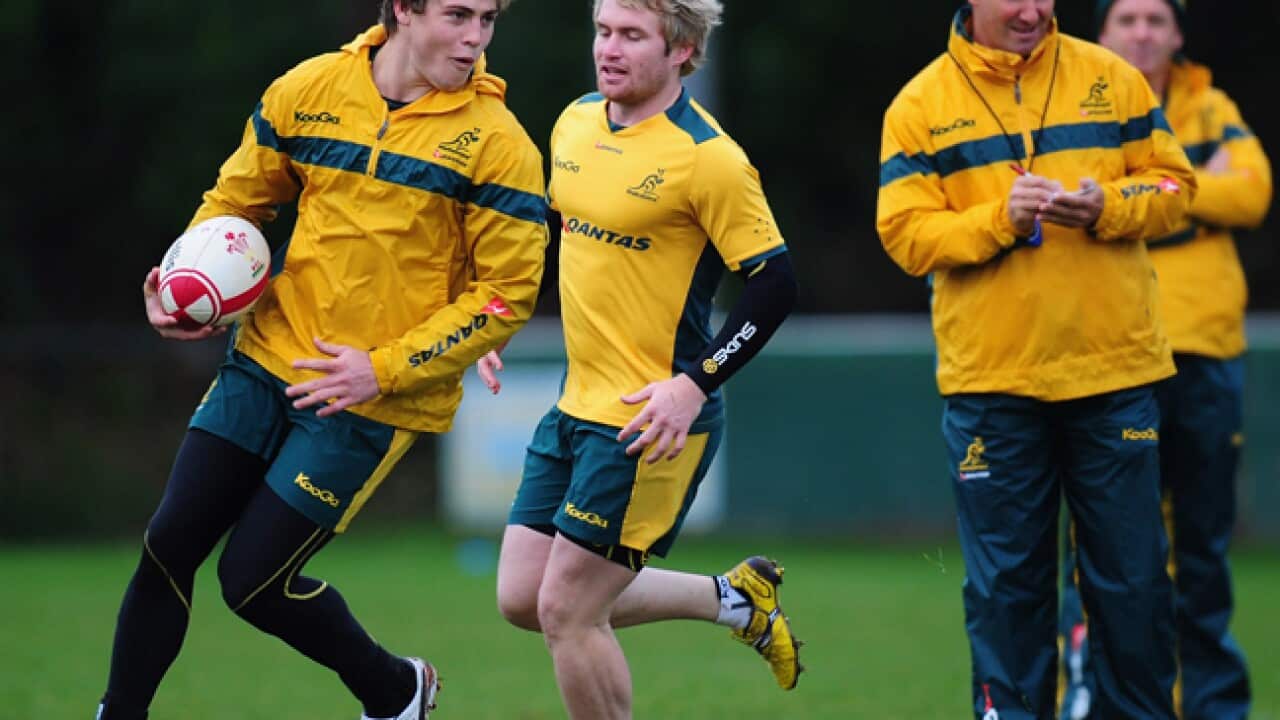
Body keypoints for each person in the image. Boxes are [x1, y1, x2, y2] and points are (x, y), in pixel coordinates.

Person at [97, 1, 547, 718]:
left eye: (488, 19)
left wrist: (384, 367)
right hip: (264, 359)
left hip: (369, 400)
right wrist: (183, 283)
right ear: (403, 9)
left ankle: (397, 690)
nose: (475, 38)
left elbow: (505, 297)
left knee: (251, 582)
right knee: (168, 544)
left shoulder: (499, 145)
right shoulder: (308, 89)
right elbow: (235, 201)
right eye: (458, 15)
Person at [876, 1, 1198, 717]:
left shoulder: (1112, 77)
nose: (1033, 10)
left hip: (1115, 375)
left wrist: (1107, 206)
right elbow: (904, 234)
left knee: (1134, 589)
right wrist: (1002, 219)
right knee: (1007, 596)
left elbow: (1176, 186)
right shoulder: (919, 104)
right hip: (994, 383)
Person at [478, 0, 800, 716]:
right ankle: (732, 600)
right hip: (573, 405)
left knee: (566, 609)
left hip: (649, 420)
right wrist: (498, 319)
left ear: (681, 50)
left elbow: (774, 285)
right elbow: (552, 238)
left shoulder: (709, 159)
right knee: (522, 597)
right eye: (602, 31)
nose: (609, 49)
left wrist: (694, 385)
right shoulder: (575, 121)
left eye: (631, 35)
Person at [1057, 2, 1272, 719]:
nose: (1143, 33)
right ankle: (1091, 694)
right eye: (1128, 20)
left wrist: (1157, 192)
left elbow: (1255, 191)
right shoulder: (1077, 99)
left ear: (1177, 34)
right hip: (1114, 350)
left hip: (1206, 348)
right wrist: (1182, 190)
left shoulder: (1212, 105)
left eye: (1156, 19)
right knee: (1107, 546)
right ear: (1103, 33)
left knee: (1203, 548)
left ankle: (1213, 706)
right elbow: (1081, 203)